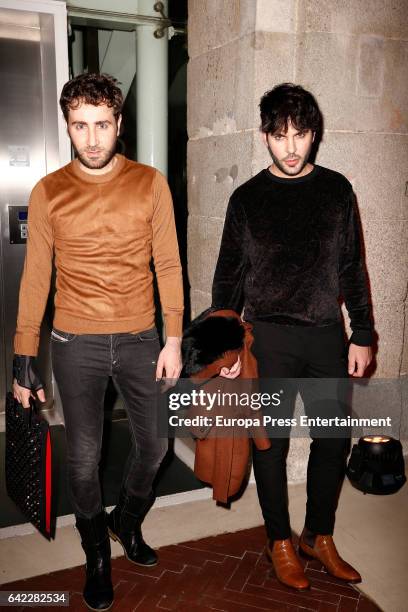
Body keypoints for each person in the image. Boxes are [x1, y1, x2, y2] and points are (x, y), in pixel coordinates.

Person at [12, 72, 184, 611]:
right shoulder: (49, 192)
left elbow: (169, 266)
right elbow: (36, 277)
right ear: (67, 125)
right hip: (74, 341)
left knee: (155, 445)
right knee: (84, 460)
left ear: (119, 124)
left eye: (101, 125)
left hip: (140, 338)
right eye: (79, 126)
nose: (90, 139)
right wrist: (22, 357)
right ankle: (96, 553)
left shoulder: (151, 184)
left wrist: (173, 337)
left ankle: (126, 520)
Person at [211, 83, 373, 590]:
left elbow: (353, 267)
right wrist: (225, 347)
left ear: (314, 135)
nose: (291, 147)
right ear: (264, 137)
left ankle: (317, 536)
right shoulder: (247, 199)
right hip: (269, 342)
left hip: (327, 336)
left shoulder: (337, 191)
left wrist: (362, 332)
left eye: (299, 134)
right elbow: (227, 280)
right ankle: (278, 539)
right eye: (279, 136)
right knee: (270, 446)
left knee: (331, 441)